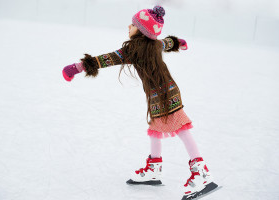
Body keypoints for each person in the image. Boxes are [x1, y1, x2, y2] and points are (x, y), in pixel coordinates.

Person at [62, 5, 217, 197]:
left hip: (164, 95)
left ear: (142, 31)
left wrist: (77, 67)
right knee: (156, 127)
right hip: (161, 95)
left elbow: (106, 59)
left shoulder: (132, 50)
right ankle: (154, 169)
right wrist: (179, 43)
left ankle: (201, 173)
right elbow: (167, 43)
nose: (129, 26)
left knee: (181, 128)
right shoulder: (154, 45)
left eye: (133, 24)